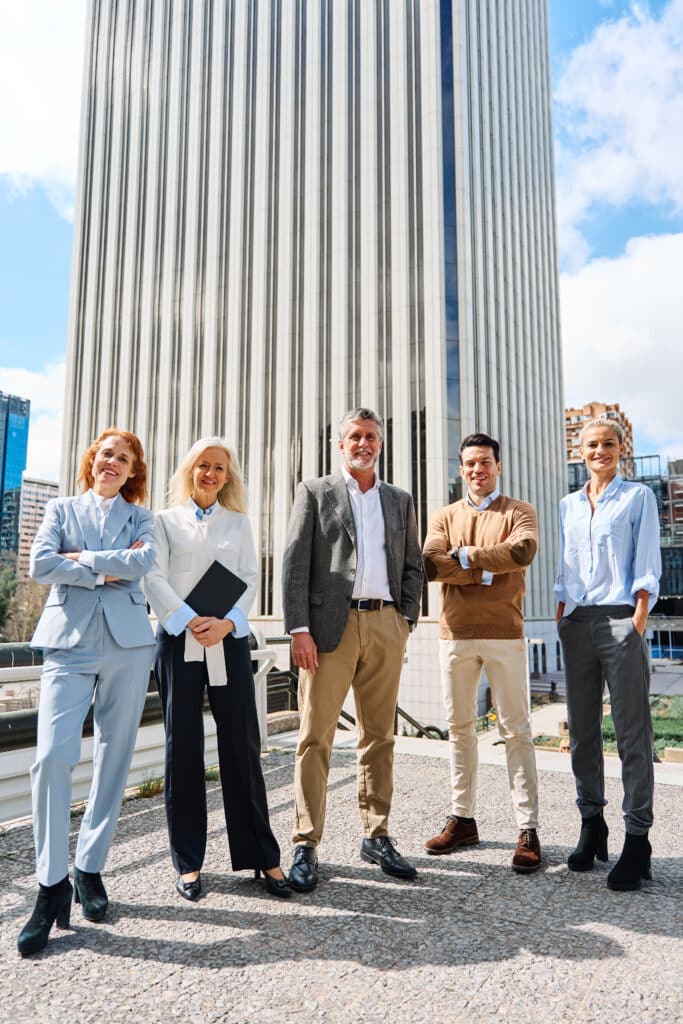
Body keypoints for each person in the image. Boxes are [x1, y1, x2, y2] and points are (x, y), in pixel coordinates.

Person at [18, 428, 157, 956]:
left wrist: (83, 562)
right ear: (91, 460)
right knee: (52, 757)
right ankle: (50, 885)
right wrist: (107, 569)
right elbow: (39, 565)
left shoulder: (142, 518)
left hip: (128, 645)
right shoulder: (59, 508)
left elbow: (142, 563)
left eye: (125, 459)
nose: (114, 463)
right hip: (68, 645)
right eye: (107, 454)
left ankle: (89, 868)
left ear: (132, 471)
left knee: (114, 759)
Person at [142, 437, 290, 900]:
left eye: (219, 468)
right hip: (178, 642)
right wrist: (188, 621)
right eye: (203, 465)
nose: (210, 474)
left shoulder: (239, 524)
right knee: (181, 749)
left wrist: (227, 623)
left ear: (229, 477)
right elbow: (153, 577)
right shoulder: (163, 521)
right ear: (190, 470)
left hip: (227, 640)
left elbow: (249, 579)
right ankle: (188, 863)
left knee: (242, 745)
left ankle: (262, 855)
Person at [282, 408, 423, 891]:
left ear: (380, 445)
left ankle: (376, 834)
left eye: (371, 437)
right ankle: (305, 841)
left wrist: (404, 620)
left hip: (385, 624)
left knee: (379, 736)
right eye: (355, 437)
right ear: (340, 444)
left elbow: (414, 566)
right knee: (314, 738)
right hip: (326, 632)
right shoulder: (315, 493)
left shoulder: (399, 500)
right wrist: (298, 628)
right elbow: (296, 563)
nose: (363, 443)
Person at [422, 432, 542, 873]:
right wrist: (486, 571)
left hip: (505, 632)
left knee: (517, 730)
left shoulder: (519, 511)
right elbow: (432, 564)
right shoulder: (443, 515)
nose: (478, 469)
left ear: (498, 466)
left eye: (485, 462)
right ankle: (462, 818)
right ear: (461, 469)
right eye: (470, 462)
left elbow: (523, 550)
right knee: (459, 728)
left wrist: (467, 555)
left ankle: (527, 828)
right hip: (455, 632)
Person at [555, 419, 661, 891]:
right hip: (577, 622)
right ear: (580, 451)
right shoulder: (568, 505)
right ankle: (591, 823)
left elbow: (647, 562)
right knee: (582, 730)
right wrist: (561, 613)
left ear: (622, 449)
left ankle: (637, 839)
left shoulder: (638, 497)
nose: (599, 451)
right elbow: (567, 565)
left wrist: (636, 621)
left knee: (632, 731)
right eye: (591, 444)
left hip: (621, 618)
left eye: (608, 444)